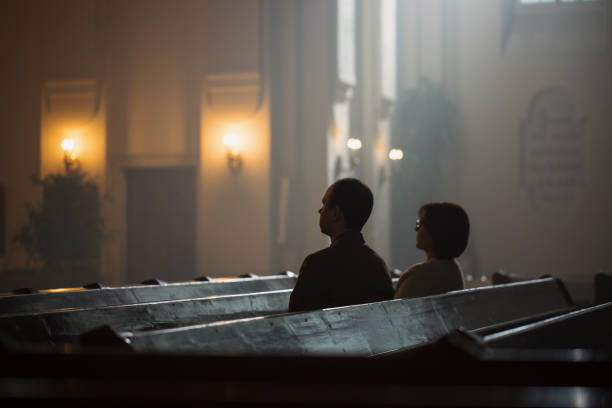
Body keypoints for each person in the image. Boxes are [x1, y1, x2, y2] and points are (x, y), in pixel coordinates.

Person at [288, 178, 395, 312]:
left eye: (324, 204)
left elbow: (296, 321)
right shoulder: (378, 265)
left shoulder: (317, 264)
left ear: (335, 213)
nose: (320, 210)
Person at [394, 202, 469, 299]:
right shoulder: (452, 268)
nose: (416, 229)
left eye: (420, 224)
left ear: (434, 231)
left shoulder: (420, 277)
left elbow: (395, 311)